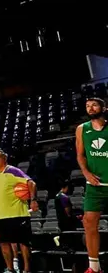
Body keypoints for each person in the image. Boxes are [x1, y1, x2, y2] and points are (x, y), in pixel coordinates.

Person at [0, 149, 38, 273]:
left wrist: (33, 200)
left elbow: (31, 183)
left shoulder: (13, 171)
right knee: (4, 243)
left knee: (23, 243)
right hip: (2, 216)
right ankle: (10, 269)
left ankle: (26, 269)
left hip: (19, 214)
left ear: (5, 158)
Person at [77, 96, 108, 273]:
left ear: (104, 108)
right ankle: (94, 267)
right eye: (88, 106)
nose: (90, 108)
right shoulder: (82, 129)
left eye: (94, 105)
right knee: (89, 222)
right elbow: (80, 155)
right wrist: (86, 173)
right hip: (95, 185)